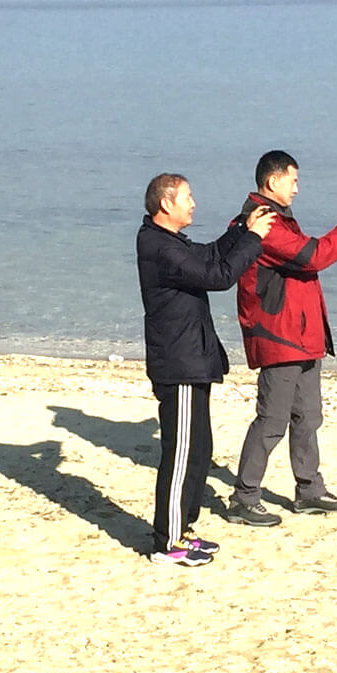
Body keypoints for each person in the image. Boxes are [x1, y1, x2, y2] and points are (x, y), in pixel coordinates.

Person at [224, 150, 337, 526]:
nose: (297, 188)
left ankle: (309, 490)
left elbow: (306, 261)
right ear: (273, 182)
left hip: (303, 336)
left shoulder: (279, 220)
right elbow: (313, 256)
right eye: (293, 180)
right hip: (279, 336)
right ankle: (244, 497)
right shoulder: (263, 223)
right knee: (272, 420)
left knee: (308, 416)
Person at [136, 173, 277, 566]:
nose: (194, 203)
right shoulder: (156, 246)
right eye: (187, 197)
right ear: (166, 204)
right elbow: (218, 276)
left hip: (194, 359)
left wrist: (240, 226)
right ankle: (167, 542)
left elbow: (211, 256)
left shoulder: (171, 242)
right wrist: (253, 239)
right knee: (181, 452)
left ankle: (183, 529)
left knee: (200, 450)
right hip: (177, 363)